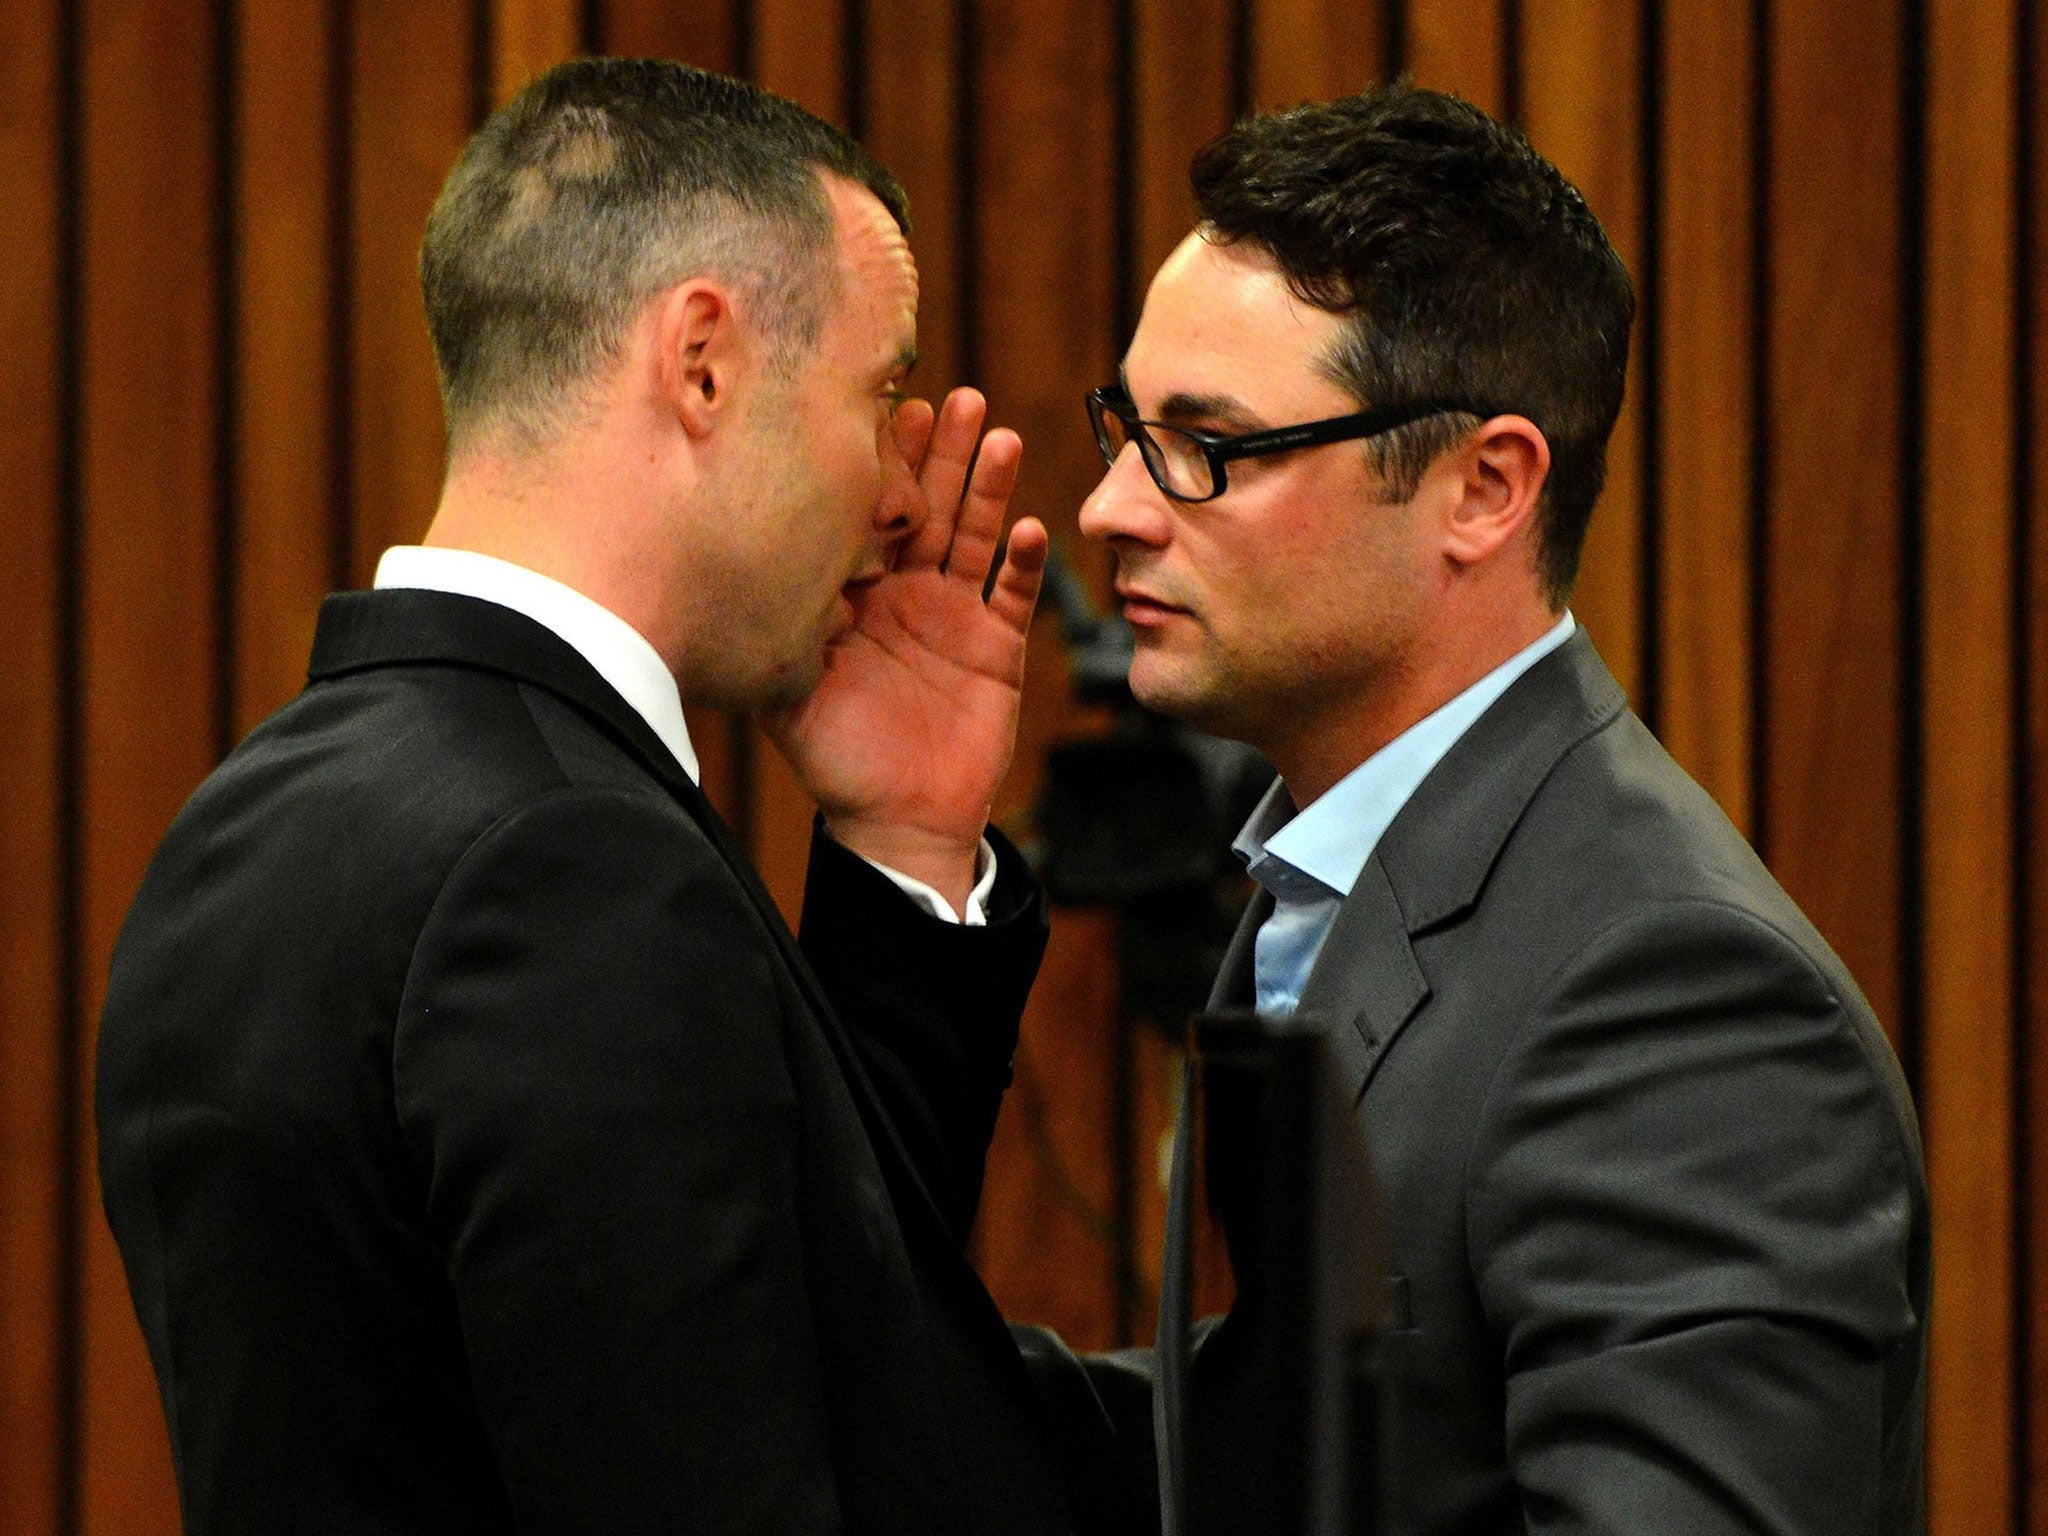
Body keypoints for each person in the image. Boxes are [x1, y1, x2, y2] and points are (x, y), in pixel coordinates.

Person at [96, 59, 1087, 1534]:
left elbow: (806, 1356)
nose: (899, 488)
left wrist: (900, 845)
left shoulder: (248, 815)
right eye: (880, 394)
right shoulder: (564, 862)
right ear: (702, 360)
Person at [1076, 84, 1929, 1533]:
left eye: (1207, 446)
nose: (1112, 508)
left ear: (1484, 488)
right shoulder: (1331, 883)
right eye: (1127, 427)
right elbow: (1263, 1441)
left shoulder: (1677, 998)